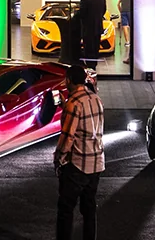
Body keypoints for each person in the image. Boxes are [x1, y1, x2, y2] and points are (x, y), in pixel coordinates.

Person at [54, 64, 104, 240]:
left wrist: (58, 158)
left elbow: (67, 137)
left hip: (78, 165)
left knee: (66, 209)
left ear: (68, 81)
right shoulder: (95, 98)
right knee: (89, 209)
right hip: (96, 162)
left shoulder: (74, 103)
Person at [76, 0, 106, 69]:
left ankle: (90, 65)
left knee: (88, 47)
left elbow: (82, 14)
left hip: (88, 29)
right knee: (96, 46)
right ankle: (94, 63)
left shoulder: (84, 1)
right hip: (98, 27)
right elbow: (103, 11)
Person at [118, 0, 133, 64]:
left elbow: (118, 3)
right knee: (131, 26)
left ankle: (127, 41)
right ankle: (132, 39)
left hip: (124, 11)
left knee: (124, 26)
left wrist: (120, 10)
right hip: (131, 11)